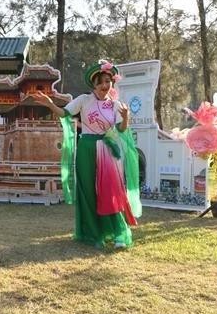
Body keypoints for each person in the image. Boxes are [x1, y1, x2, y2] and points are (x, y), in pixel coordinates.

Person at [34, 60, 141, 249]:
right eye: (100, 82)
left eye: (108, 81)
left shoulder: (116, 105)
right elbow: (64, 113)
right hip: (86, 147)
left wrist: (125, 117)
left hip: (107, 149)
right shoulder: (84, 100)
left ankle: (117, 233)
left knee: (110, 191)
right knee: (89, 192)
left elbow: (122, 130)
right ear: (94, 84)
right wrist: (50, 104)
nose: (104, 86)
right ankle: (93, 233)